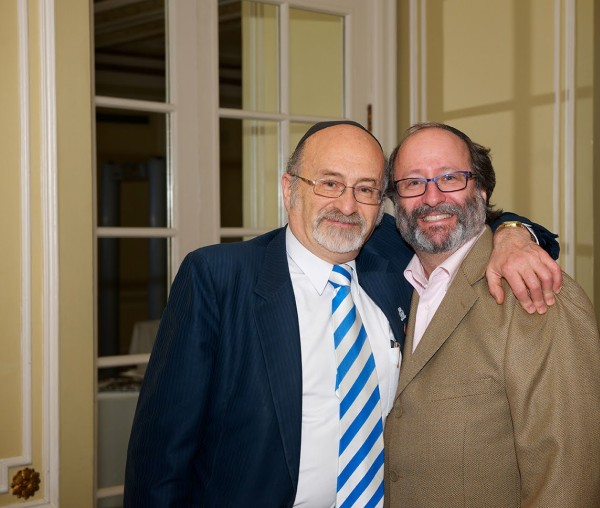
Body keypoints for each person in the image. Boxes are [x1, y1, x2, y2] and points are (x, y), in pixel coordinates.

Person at [123, 120, 560, 507]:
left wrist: (514, 233)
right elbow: (162, 454)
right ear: (289, 189)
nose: (348, 206)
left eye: (366, 189)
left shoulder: (394, 259)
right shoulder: (218, 278)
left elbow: (458, 214)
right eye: (329, 184)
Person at [383, 122, 600, 507]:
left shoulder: (533, 292)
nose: (431, 197)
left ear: (482, 190)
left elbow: (568, 481)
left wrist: (514, 231)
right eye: (413, 182)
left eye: (450, 178)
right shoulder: (393, 273)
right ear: (395, 199)